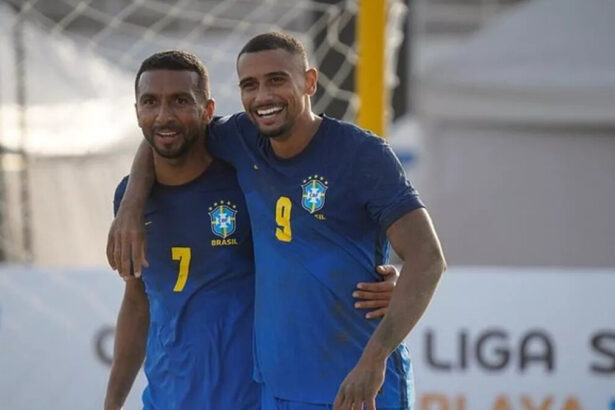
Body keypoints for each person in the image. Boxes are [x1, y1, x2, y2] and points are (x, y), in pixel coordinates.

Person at [108, 33, 446, 410]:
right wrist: (132, 204)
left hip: (358, 386)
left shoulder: (361, 154)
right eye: (249, 85)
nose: (263, 96)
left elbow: (428, 258)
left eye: (277, 80)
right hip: (278, 392)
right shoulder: (242, 142)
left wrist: (374, 358)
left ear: (310, 82)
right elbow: (166, 131)